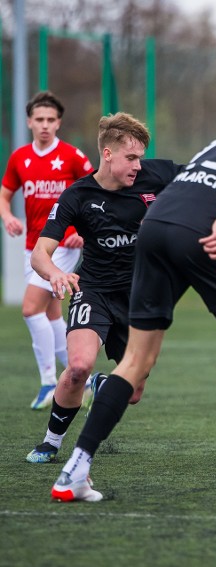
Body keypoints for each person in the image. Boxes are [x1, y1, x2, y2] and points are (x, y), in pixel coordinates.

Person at [50, 95, 216, 502]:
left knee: (135, 363)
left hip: (154, 230)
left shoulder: (215, 148)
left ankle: (75, 470)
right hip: (203, 233)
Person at [25, 112, 182, 464]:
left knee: (134, 392)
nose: (138, 166)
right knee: (78, 366)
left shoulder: (156, 174)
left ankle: (101, 385)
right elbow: (40, 254)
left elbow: (208, 177)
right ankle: (51, 442)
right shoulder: (77, 195)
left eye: (141, 156)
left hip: (141, 297)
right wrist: (53, 273)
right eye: (131, 157)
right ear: (107, 155)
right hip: (93, 288)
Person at [0, 91, 94, 409]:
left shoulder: (72, 157)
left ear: (59, 123)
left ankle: (49, 383)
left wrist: (82, 230)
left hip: (61, 246)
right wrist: (8, 215)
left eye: (50, 120)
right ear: (29, 122)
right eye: (39, 119)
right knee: (52, 315)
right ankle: (87, 378)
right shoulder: (19, 158)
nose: (44, 125)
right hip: (32, 247)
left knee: (30, 309)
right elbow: (4, 193)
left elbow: (95, 194)